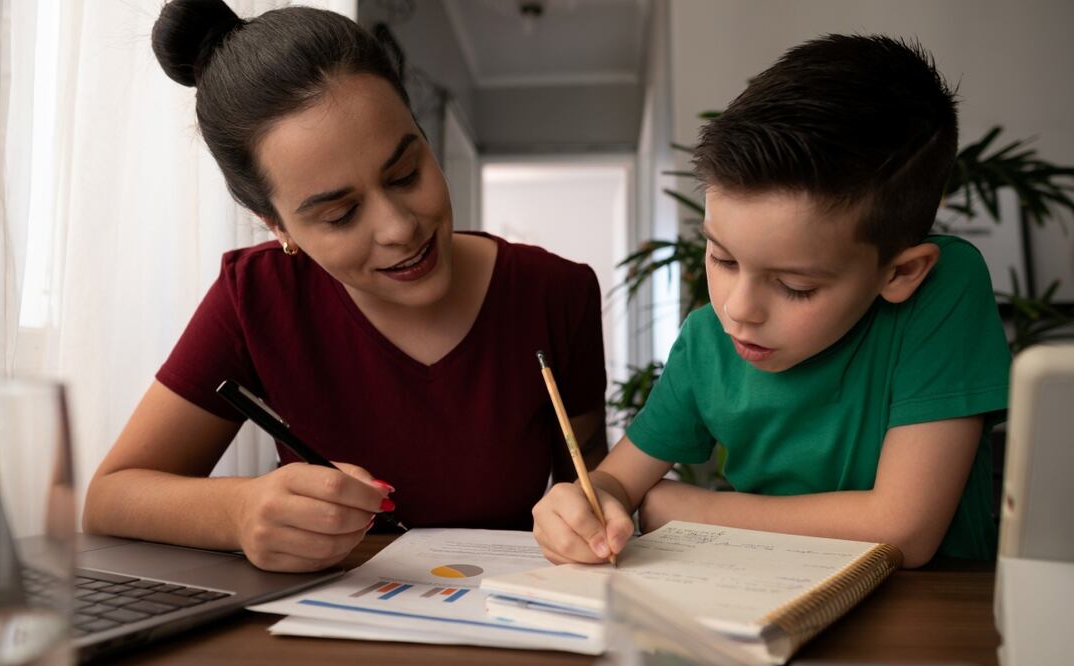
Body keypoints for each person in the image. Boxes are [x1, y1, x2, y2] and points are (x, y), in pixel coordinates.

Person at [83, 0, 607, 573]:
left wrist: (589, 514)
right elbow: (108, 498)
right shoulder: (257, 296)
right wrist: (239, 510)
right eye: (340, 214)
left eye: (407, 173)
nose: (399, 227)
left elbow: (594, 486)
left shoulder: (556, 293)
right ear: (277, 225)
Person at [532, 34, 1010, 569]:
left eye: (796, 287)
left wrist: (682, 507)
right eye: (721, 258)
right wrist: (583, 504)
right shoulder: (708, 341)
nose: (739, 308)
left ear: (899, 272)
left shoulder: (942, 289)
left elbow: (905, 530)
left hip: (928, 624)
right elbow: (617, 480)